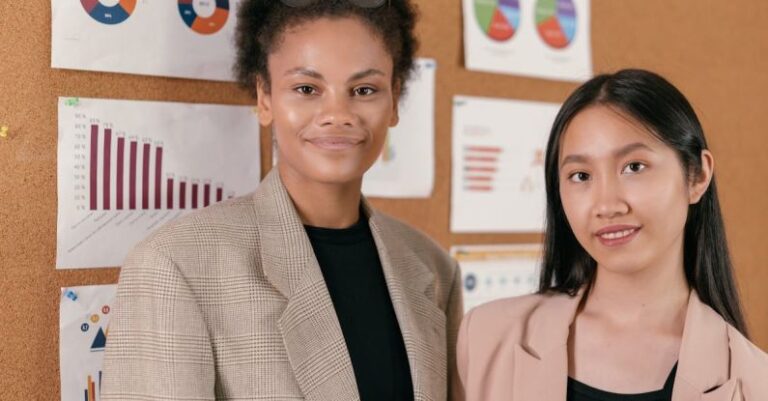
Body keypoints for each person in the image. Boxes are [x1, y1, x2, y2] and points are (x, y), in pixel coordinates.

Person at [102, 1, 463, 400]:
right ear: (265, 97)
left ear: (394, 100)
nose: (337, 114)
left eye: (364, 90)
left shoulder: (433, 269)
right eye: (307, 89)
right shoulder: (174, 265)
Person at [455, 69, 768, 400]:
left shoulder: (755, 383)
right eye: (580, 175)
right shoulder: (485, 340)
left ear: (697, 175)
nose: (606, 205)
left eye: (634, 167)